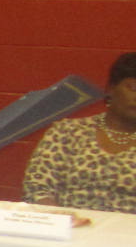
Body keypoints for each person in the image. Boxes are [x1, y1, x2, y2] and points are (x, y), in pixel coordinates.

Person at [22, 52, 136, 215]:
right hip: (67, 229)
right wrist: (62, 220)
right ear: (111, 89)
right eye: (133, 88)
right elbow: (37, 188)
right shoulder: (67, 132)